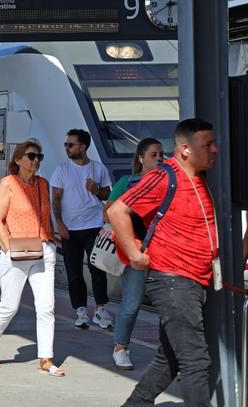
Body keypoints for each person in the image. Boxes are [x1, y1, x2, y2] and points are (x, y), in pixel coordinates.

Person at [110, 119, 219, 406]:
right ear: (185, 149)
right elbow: (117, 210)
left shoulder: (201, 178)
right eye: (207, 145)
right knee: (195, 361)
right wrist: (134, 252)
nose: (214, 150)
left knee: (168, 358)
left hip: (196, 279)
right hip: (173, 280)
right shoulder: (163, 177)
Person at [0, 141, 64, 376]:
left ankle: (46, 358)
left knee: (47, 307)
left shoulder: (43, 184)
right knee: (9, 305)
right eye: (31, 156)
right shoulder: (8, 184)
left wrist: (51, 236)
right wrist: (7, 249)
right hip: (16, 250)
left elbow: (45, 215)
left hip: (43, 250)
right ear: (18, 160)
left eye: (39, 156)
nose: (36, 160)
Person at [103, 138, 164, 370]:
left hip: (163, 251)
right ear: (140, 158)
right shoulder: (126, 183)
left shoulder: (169, 183)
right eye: (153, 155)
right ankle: (121, 347)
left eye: (161, 154)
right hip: (135, 251)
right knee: (132, 302)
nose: (159, 158)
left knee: (169, 305)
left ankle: (169, 354)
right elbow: (107, 214)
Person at [51, 128, 113, 329]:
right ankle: (80, 310)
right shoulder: (62, 170)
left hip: (94, 225)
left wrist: (96, 190)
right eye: (66, 144)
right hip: (70, 228)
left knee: (98, 269)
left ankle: (101, 310)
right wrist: (59, 223)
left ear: (83, 147)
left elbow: (107, 195)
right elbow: (56, 198)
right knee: (74, 271)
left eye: (70, 144)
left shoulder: (98, 168)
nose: (67, 148)